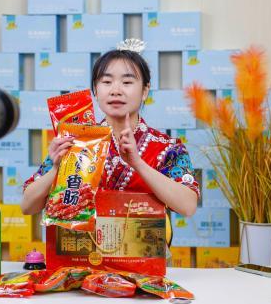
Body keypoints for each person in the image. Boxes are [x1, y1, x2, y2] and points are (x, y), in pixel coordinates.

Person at [21, 39, 199, 218]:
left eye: (127, 82)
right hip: (84, 237)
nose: (115, 90)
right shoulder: (77, 141)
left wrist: (138, 163)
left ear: (145, 91)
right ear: (96, 91)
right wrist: (56, 169)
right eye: (106, 82)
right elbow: (28, 206)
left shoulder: (167, 147)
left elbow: (188, 206)